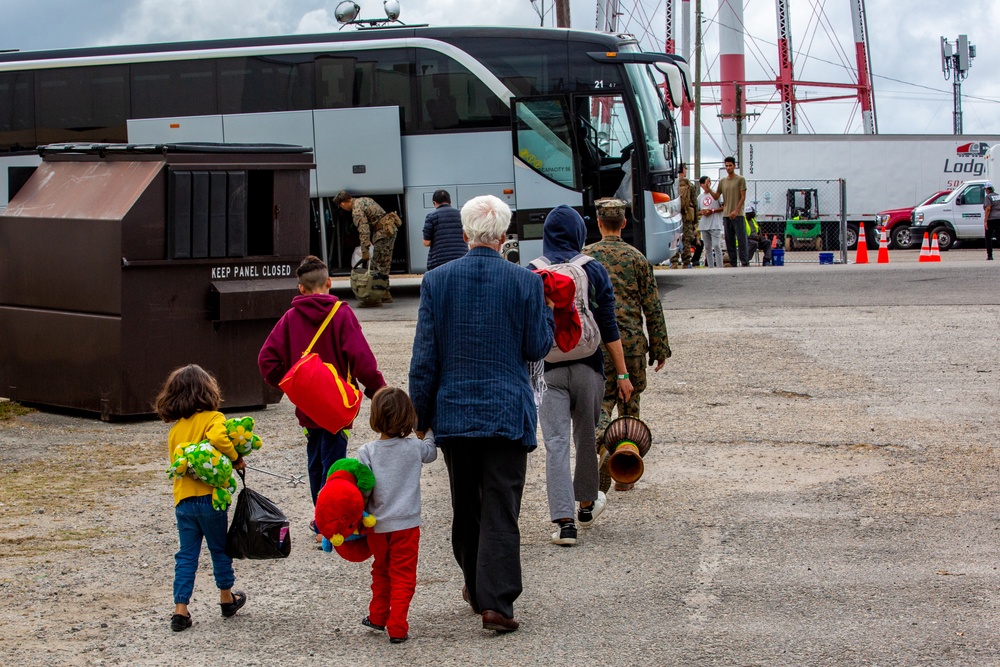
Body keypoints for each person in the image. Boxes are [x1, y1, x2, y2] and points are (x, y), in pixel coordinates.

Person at [408, 194, 554, 634]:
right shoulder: (526, 283)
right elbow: (536, 346)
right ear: (504, 236)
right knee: (501, 506)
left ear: (467, 234)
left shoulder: (437, 281)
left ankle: (475, 586)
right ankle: (498, 603)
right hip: (507, 412)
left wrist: (421, 416)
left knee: (465, 505)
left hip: (454, 413)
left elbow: (425, 357)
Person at [258, 255, 386, 533]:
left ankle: (320, 520)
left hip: (308, 407)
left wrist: (291, 384)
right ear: (329, 282)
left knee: (315, 462)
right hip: (337, 406)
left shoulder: (290, 318)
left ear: (301, 289)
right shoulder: (341, 314)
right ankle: (330, 524)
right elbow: (362, 358)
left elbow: (266, 360)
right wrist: (377, 389)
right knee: (335, 465)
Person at [532, 205, 633, 546]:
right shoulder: (593, 269)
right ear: (579, 233)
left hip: (547, 371)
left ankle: (565, 525)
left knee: (556, 444)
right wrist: (622, 374)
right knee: (586, 438)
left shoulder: (531, 271)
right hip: (588, 365)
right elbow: (609, 326)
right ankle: (587, 506)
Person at [583, 198, 671, 493]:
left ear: (598, 223)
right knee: (629, 406)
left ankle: (602, 445)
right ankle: (625, 468)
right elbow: (652, 307)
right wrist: (660, 348)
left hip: (597, 344)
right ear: (623, 223)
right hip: (632, 344)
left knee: (602, 403)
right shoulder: (637, 259)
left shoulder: (585, 259)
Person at [155, 364, 247, 633]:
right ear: (208, 391)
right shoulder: (213, 417)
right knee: (219, 549)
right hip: (210, 500)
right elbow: (219, 437)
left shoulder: (175, 431)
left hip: (183, 501)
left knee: (186, 555)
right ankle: (226, 598)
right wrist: (235, 458)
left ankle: (180, 611)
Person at [355, 387, 437, 644]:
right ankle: (398, 626)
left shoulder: (367, 451)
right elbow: (431, 453)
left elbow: (365, 488)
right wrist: (428, 433)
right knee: (403, 575)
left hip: (377, 525)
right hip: (407, 524)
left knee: (380, 570)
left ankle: (378, 616)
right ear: (408, 416)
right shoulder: (414, 447)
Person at [333, 191, 402, 306]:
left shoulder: (357, 210)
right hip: (387, 230)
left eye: (340, 206)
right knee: (384, 262)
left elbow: (364, 231)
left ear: (343, 203)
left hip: (383, 233)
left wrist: (365, 251)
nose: (342, 209)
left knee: (378, 264)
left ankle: (378, 295)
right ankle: (384, 293)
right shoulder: (364, 200)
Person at [422, 189, 467, 270]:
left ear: (434, 203)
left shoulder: (431, 217)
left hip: (439, 261)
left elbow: (426, 242)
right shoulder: (462, 215)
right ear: (450, 201)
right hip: (461, 258)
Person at [718, 156, 749, 267]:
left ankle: (745, 262)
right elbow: (717, 195)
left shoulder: (740, 179)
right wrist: (708, 189)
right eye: (726, 166)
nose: (728, 168)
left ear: (734, 166)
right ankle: (733, 262)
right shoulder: (722, 181)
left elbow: (742, 197)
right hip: (726, 215)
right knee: (729, 240)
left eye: (730, 165)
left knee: (741, 239)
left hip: (738, 215)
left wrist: (736, 210)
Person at [671, 163, 699, 269]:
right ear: (684, 170)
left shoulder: (673, 184)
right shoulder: (690, 185)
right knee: (686, 239)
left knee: (675, 238)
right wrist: (695, 219)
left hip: (675, 214)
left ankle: (674, 262)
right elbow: (695, 203)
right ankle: (686, 262)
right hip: (687, 214)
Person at [698, 176, 724, 269]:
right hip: (704, 226)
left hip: (715, 224)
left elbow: (722, 207)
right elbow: (697, 211)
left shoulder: (716, 195)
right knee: (707, 248)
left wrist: (712, 211)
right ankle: (711, 267)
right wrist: (702, 212)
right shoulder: (700, 197)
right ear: (701, 185)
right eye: (705, 183)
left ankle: (720, 267)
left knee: (716, 245)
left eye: (709, 182)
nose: (707, 185)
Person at [984, 183, 1000, 260]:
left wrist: (985, 220)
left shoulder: (988, 197)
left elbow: (988, 208)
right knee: (999, 237)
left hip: (991, 219)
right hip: (999, 218)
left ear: (987, 189)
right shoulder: (998, 196)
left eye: (985, 189)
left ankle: (990, 255)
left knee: (988, 237)